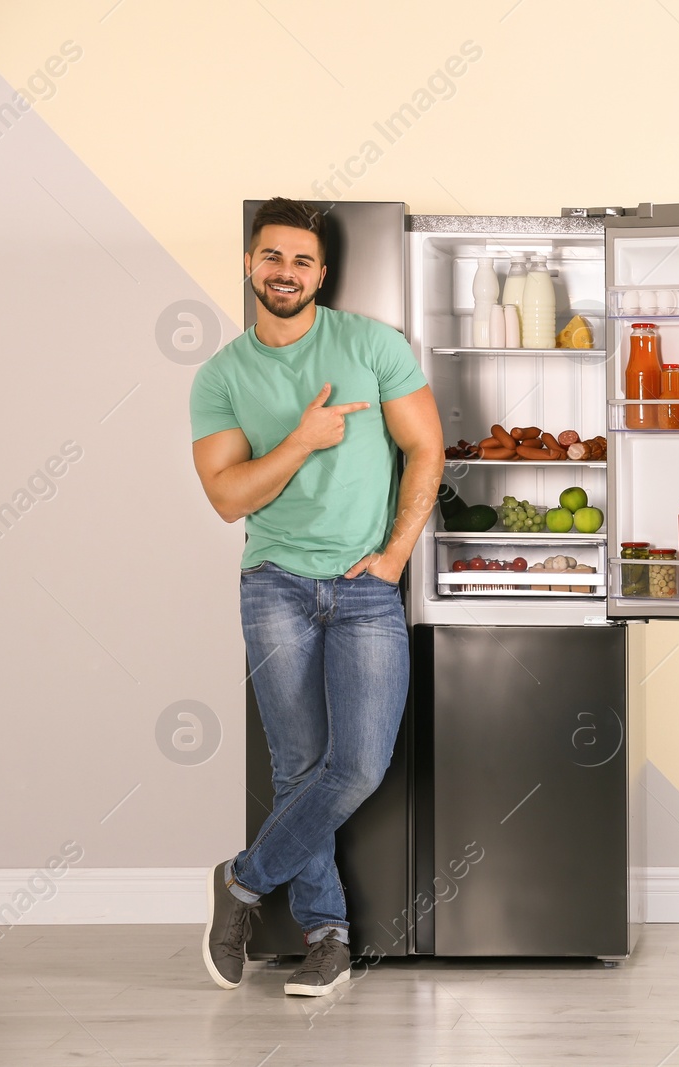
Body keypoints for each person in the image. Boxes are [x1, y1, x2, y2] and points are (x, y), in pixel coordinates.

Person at [188, 197, 443, 995]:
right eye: (272, 257)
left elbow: (425, 444)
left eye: (302, 261)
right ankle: (327, 937)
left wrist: (398, 552)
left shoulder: (371, 345)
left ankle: (240, 881)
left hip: (366, 586)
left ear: (321, 273)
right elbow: (228, 498)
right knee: (299, 768)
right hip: (275, 585)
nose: (286, 273)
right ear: (249, 263)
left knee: (358, 764)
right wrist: (301, 437)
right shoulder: (222, 374)